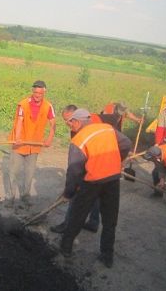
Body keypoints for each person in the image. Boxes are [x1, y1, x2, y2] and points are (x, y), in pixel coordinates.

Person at [59, 109, 132, 268]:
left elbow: (74, 171)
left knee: (77, 215)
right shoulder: (107, 128)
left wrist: (68, 193)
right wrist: (118, 160)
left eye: (70, 122)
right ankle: (107, 256)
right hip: (113, 179)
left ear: (78, 122)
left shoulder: (79, 140)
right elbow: (126, 143)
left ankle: (65, 248)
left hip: (92, 182)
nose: (69, 125)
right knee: (110, 220)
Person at [50, 105, 100, 234]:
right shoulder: (74, 128)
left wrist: (71, 189)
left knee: (76, 196)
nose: (67, 124)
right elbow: (78, 153)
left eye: (69, 120)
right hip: (92, 164)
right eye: (65, 120)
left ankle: (67, 225)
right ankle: (93, 223)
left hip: (98, 164)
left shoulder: (95, 123)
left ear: (77, 118)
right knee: (94, 194)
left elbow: (76, 165)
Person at [5, 80, 56, 206]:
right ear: (32, 91)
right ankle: (10, 198)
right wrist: (17, 137)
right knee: (14, 171)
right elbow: (20, 122)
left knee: (30, 173)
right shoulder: (23, 104)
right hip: (20, 144)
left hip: (34, 145)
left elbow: (53, 122)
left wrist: (50, 138)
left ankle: (25, 196)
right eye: (35, 92)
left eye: (39, 93)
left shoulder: (48, 106)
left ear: (44, 92)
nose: (37, 95)